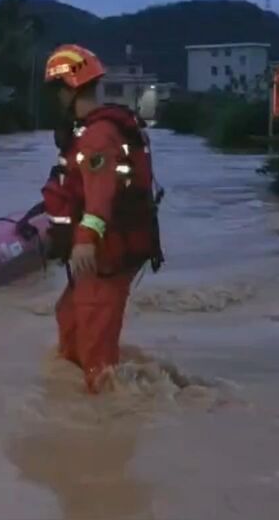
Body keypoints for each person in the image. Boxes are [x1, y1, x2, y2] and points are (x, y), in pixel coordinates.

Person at [39, 44, 165, 394]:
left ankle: (102, 422)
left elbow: (100, 198)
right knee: (70, 318)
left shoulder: (97, 137)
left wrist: (82, 242)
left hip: (105, 254)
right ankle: (83, 395)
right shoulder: (95, 131)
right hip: (103, 252)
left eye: (57, 92)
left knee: (95, 344)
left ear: (69, 89)